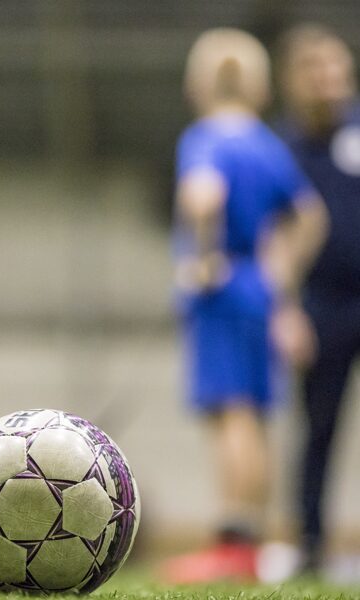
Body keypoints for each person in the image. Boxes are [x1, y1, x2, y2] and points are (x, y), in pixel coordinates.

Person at [159, 28, 327, 583]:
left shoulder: (205, 138)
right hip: (258, 291)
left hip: (221, 290)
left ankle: (233, 543)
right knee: (254, 416)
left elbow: (203, 194)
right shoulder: (267, 143)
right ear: (259, 87)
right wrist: (281, 280)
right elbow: (310, 218)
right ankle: (250, 543)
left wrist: (204, 256)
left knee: (230, 413)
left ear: (197, 85)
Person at [277, 25, 360, 573]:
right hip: (321, 305)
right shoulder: (282, 149)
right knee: (319, 425)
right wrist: (286, 310)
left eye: (335, 66)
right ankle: (309, 539)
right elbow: (275, 236)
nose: (327, 79)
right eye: (314, 69)